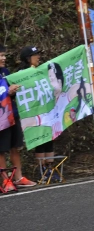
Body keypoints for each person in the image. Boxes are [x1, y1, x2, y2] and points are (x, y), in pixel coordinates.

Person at [0, 44, 37, 191]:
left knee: (15, 146)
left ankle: (19, 177)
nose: (4, 58)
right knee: (1, 150)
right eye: (1, 55)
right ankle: (5, 180)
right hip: (1, 118)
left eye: (4, 55)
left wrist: (13, 91)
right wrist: (6, 92)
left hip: (12, 113)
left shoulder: (6, 71)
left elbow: (10, 93)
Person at [18, 45, 56, 179]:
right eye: (35, 55)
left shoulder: (41, 70)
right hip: (33, 113)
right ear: (28, 58)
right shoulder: (21, 74)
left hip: (46, 110)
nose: (38, 57)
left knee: (49, 139)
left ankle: (50, 169)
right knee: (39, 140)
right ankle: (42, 171)